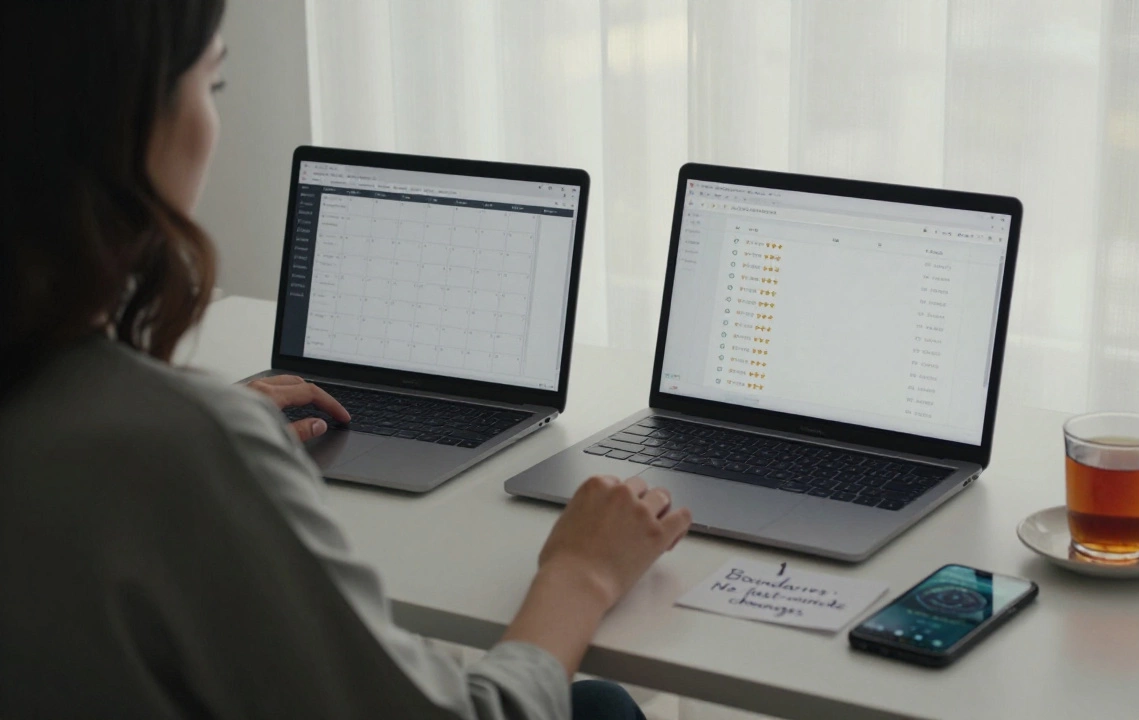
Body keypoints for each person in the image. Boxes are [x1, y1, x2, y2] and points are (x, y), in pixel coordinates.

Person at [0, 2, 691, 718]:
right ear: (128, 124)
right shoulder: (180, 448)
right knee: (603, 709)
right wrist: (581, 572)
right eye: (213, 84)